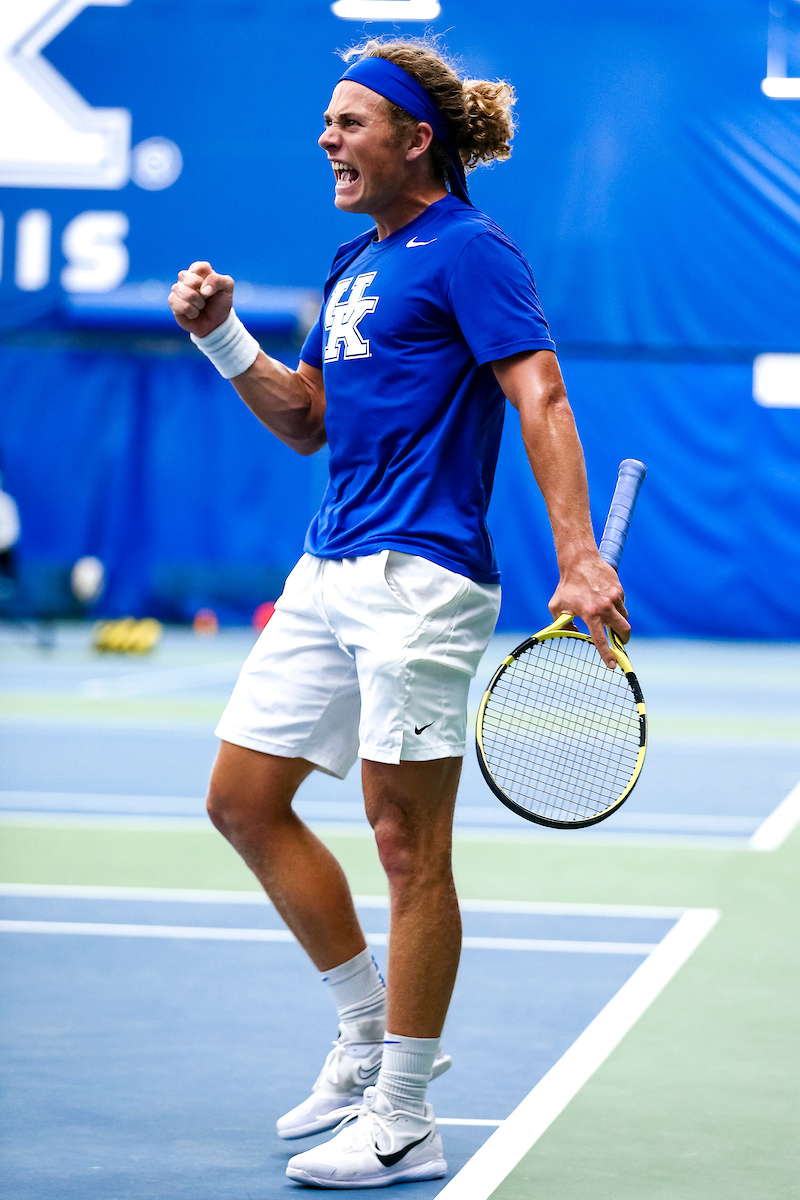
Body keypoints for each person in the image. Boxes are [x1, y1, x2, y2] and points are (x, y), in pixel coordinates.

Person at [168, 37, 628, 1190]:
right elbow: (308, 419)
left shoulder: (472, 252)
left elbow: (540, 394)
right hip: (326, 567)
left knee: (406, 845)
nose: (326, 138)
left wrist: (576, 558)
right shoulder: (351, 261)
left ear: (415, 139)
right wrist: (223, 337)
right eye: (326, 122)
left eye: (349, 122)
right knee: (240, 800)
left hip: (420, 581)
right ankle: (366, 1032)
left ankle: (405, 1111)